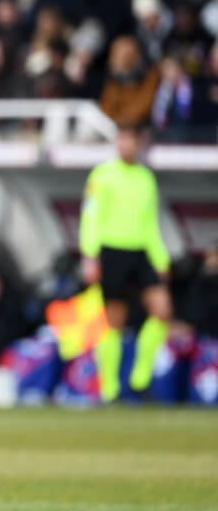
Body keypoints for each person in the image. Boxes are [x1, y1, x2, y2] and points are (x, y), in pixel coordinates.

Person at [80, 124, 174, 403]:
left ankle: (140, 378)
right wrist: (90, 255)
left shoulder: (146, 179)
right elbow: (90, 217)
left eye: (130, 140)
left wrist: (160, 258)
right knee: (114, 322)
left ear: (139, 143)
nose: (124, 145)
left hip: (141, 252)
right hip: (111, 251)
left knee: (162, 311)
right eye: (121, 139)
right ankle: (110, 389)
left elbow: (151, 223)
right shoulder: (102, 175)